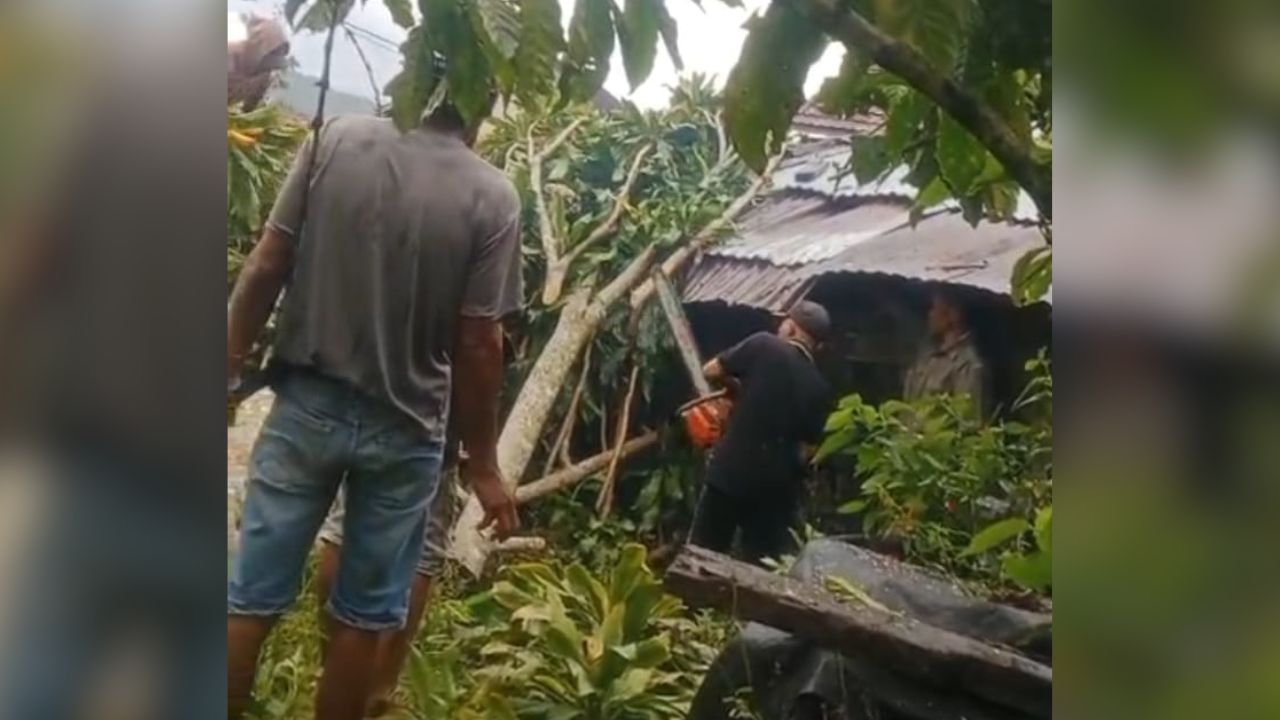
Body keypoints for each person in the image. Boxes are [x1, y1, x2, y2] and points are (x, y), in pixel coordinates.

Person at [225, 68, 522, 719]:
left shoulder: (332, 141)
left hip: (307, 405)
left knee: (249, 597)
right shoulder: (492, 196)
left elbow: (266, 265)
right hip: (407, 431)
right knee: (363, 617)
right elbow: (480, 343)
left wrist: (228, 365)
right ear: (482, 106)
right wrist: (484, 466)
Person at [313, 424, 463, 719]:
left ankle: (334, 669)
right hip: (428, 419)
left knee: (346, 527)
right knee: (422, 549)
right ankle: (375, 693)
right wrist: (485, 462)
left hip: (362, 412)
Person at [689, 300, 834, 565]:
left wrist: (735, 386)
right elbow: (809, 451)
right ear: (819, 346)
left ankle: (693, 606)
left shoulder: (764, 344)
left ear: (790, 328)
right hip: (774, 493)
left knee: (703, 558)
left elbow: (710, 371)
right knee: (759, 570)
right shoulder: (820, 388)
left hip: (729, 476)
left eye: (783, 323)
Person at [903, 288, 988, 417]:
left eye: (933, 308)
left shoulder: (967, 364)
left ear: (953, 314)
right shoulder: (928, 356)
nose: (929, 315)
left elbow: (968, 420)